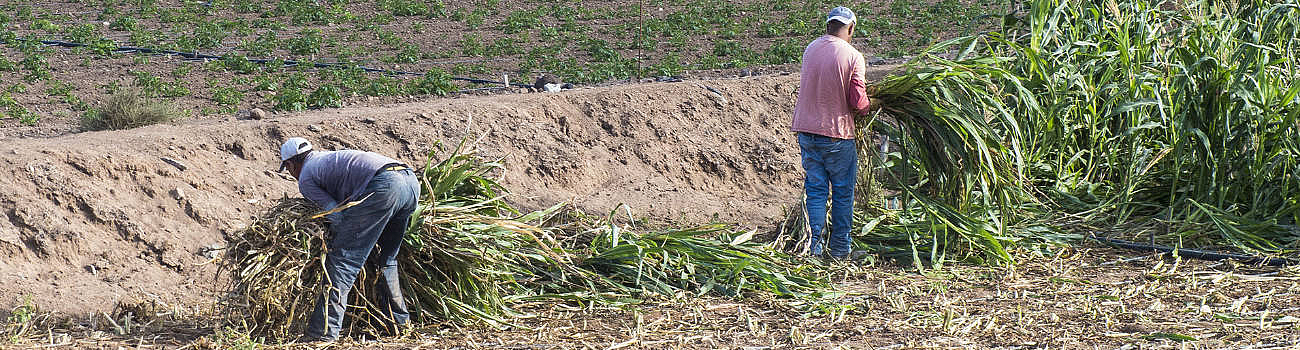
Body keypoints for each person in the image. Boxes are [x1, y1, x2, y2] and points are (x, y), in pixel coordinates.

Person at [277, 137, 421, 341]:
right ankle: (400, 324)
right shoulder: (326, 159)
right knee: (387, 259)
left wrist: (333, 237)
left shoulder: (306, 177)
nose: (291, 174)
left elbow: (336, 214)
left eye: (289, 169)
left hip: (384, 188)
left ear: (290, 164)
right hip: (410, 182)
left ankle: (322, 335)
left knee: (343, 262)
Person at [791, 6, 879, 260]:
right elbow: (858, 101)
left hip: (806, 131)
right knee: (842, 192)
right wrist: (872, 105)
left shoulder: (810, 49)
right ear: (850, 28)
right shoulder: (853, 56)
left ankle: (814, 248)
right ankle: (840, 249)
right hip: (836, 134)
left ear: (828, 25)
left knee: (816, 190)